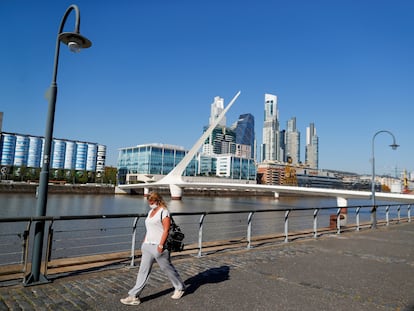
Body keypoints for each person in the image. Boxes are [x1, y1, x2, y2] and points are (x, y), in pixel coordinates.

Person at [120, 191, 186, 306]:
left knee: (167, 268)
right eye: (149, 202)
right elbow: (149, 228)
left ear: (158, 200)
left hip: (159, 246)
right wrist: (144, 242)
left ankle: (180, 287)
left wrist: (161, 245)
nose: (150, 204)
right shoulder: (151, 211)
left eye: (152, 201)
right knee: (143, 271)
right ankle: (134, 296)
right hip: (147, 245)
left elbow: (166, 230)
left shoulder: (164, 212)